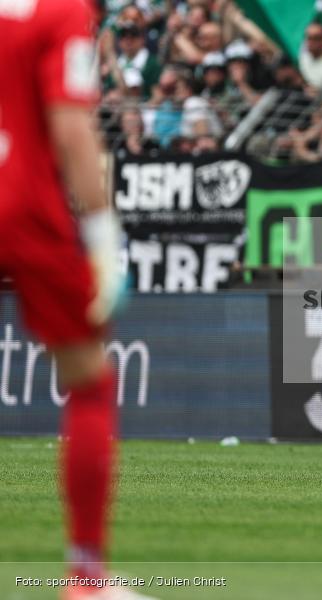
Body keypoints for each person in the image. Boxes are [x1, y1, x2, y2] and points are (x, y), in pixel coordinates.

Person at [0, 1, 138, 599]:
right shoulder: (58, 10)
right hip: (20, 203)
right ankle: (86, 579)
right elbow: (71, 127)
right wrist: (104, 239)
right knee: (89, 382)